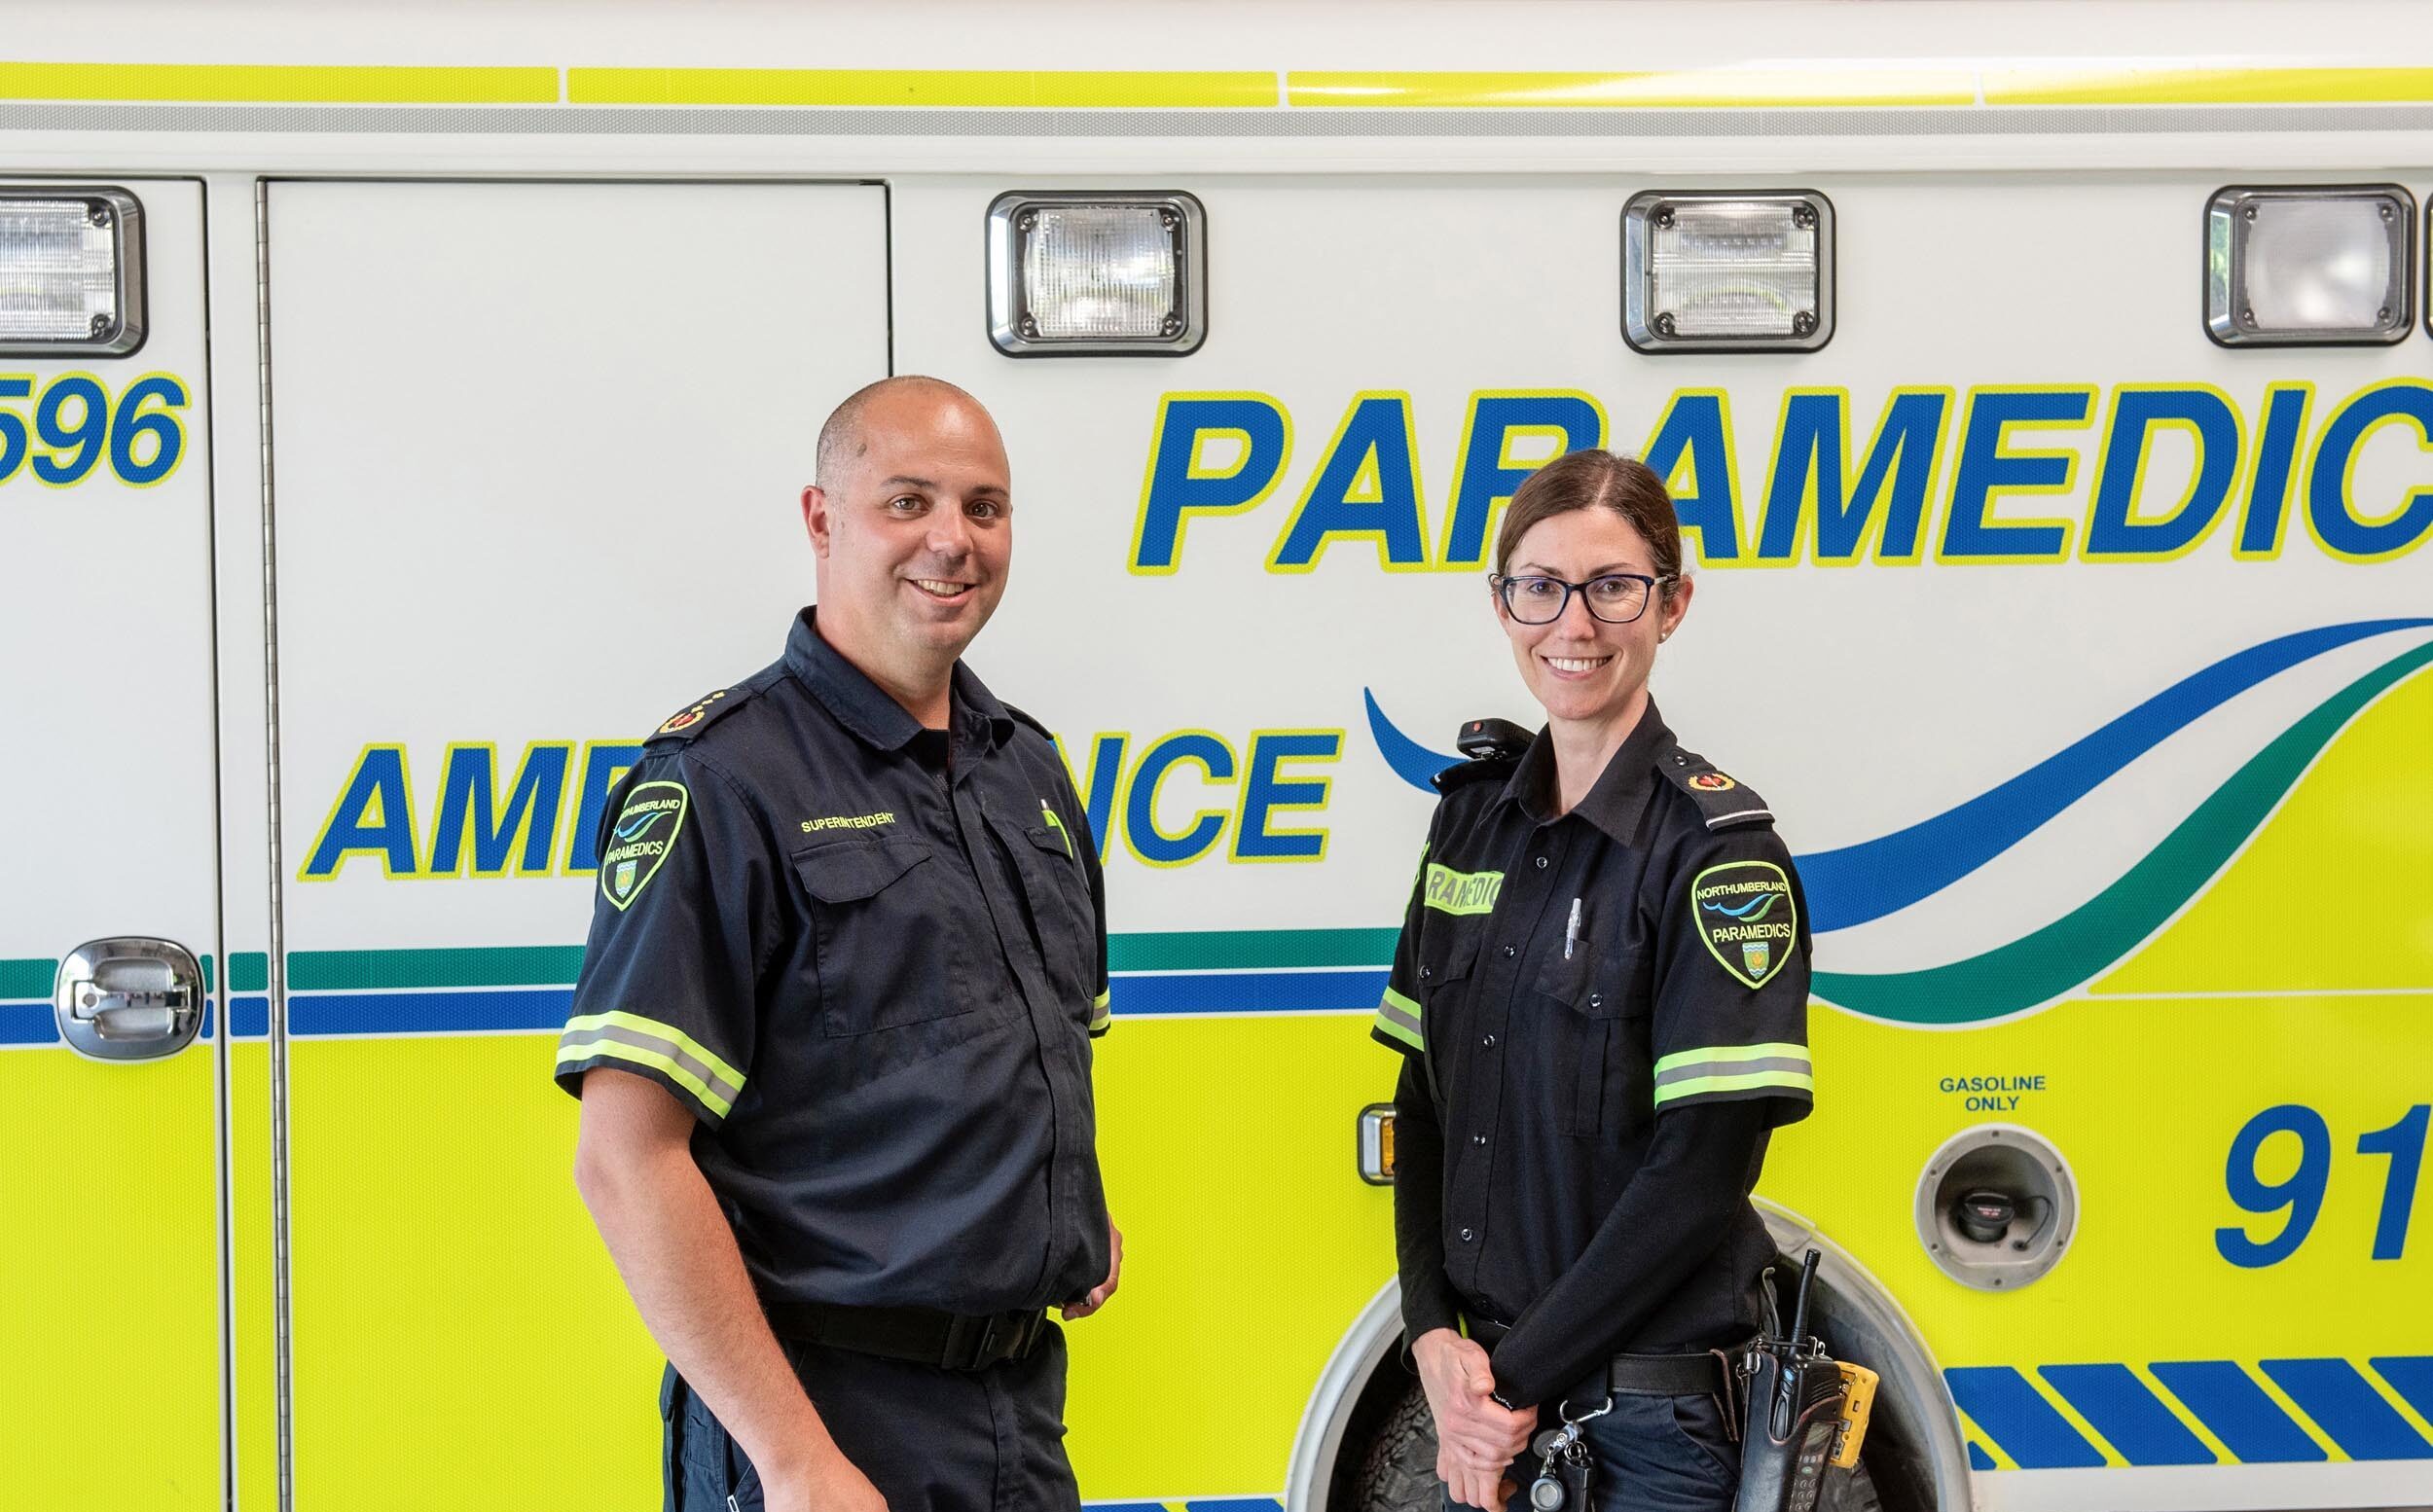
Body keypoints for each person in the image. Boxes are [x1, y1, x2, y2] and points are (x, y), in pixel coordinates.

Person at [558, 375, 1121, 1512]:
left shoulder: (1030, 771)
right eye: (906, 502)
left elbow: (1031, 1030)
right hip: (825, 1418)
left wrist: (1064, 1198)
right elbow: (625, 1160)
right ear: (821, 521)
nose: (952, 542)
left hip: (1016, 1409)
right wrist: (796, 1461)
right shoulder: (724, 780)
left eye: (985, 507)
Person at [1370, 450, 1815, 1512]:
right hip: (1485, 1405)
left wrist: (1504, 1391)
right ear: (1502, 601)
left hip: (1647, 1430)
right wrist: (1431, 1335)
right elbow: (1423, 1101)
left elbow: (1702, 1172)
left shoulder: (1718, 857)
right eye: (1540, 586)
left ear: (1672, 604)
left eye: (1613, 587)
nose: (1573, 624)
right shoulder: (1469, 822)